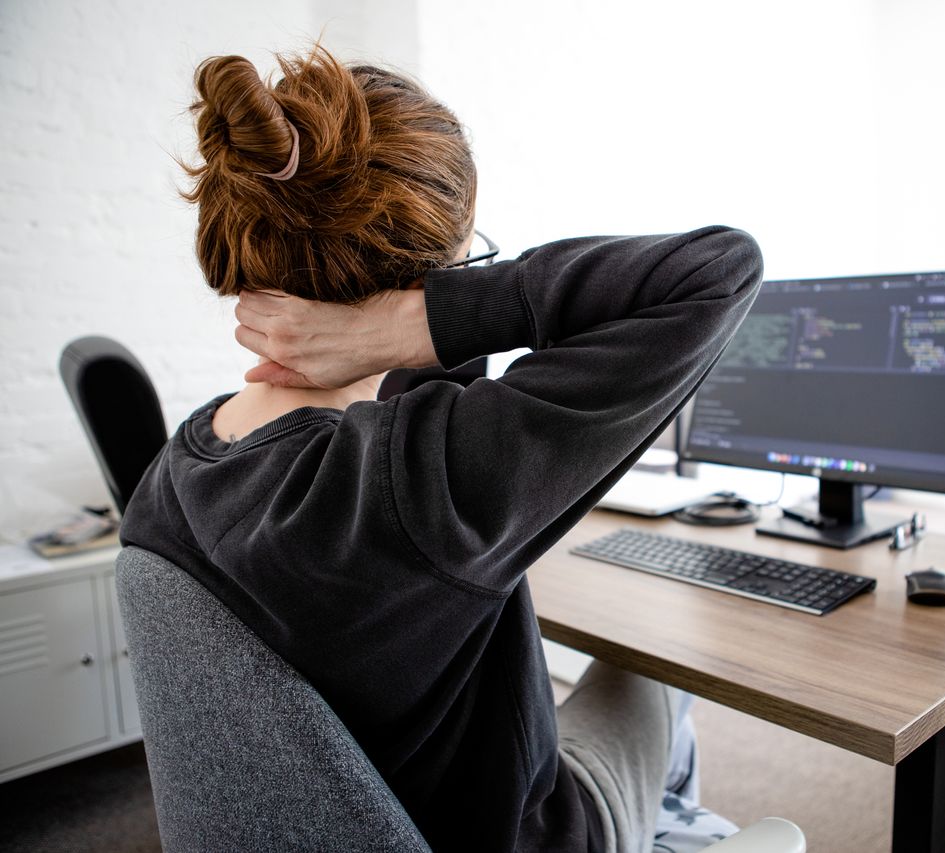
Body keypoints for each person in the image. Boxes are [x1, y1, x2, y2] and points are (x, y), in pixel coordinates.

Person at [120, 44, 762, 853]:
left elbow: (414, 409)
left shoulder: (180, 468)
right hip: (532, 833)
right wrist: (410, 320)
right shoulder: (421, 489)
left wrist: (408, 317)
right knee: (655, 668)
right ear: (439, 273)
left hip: (394, 806)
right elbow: (718, 270)